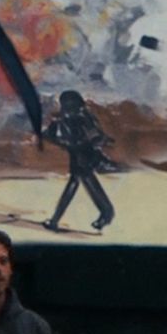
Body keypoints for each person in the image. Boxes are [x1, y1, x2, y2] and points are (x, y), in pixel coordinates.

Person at [42, 90, 117, 232]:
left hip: (84, 155)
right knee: (85, 183)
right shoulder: (63, 119)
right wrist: (64, 143)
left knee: (77, 183)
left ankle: (55, 220)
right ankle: (106, 213)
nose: (67, 108)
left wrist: (68, 143)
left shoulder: (84, 117)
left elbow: (96, 136)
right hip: (78, 155)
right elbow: (48, 135)